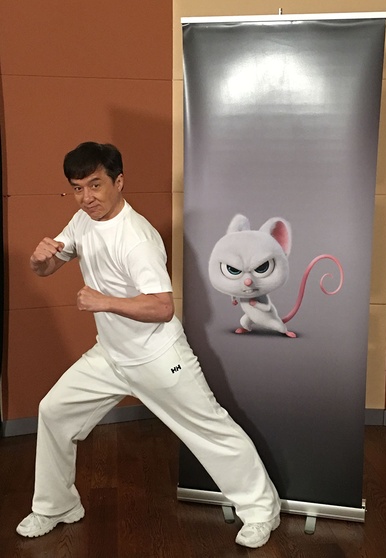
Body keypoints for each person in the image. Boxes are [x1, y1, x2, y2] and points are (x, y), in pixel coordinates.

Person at [16, 142, 281, 548]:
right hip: (111, 355)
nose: (86, 197)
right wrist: (40, 261)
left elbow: (161, 307)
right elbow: (53, 263)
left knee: (210, 428)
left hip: (158, 356)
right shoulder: (83, 219)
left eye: (95, 185)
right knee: (54, 412)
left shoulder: (137, 238)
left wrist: (104, 301)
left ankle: (262, 511)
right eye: (77, 188)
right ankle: (57, 506)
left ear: (118, 181)